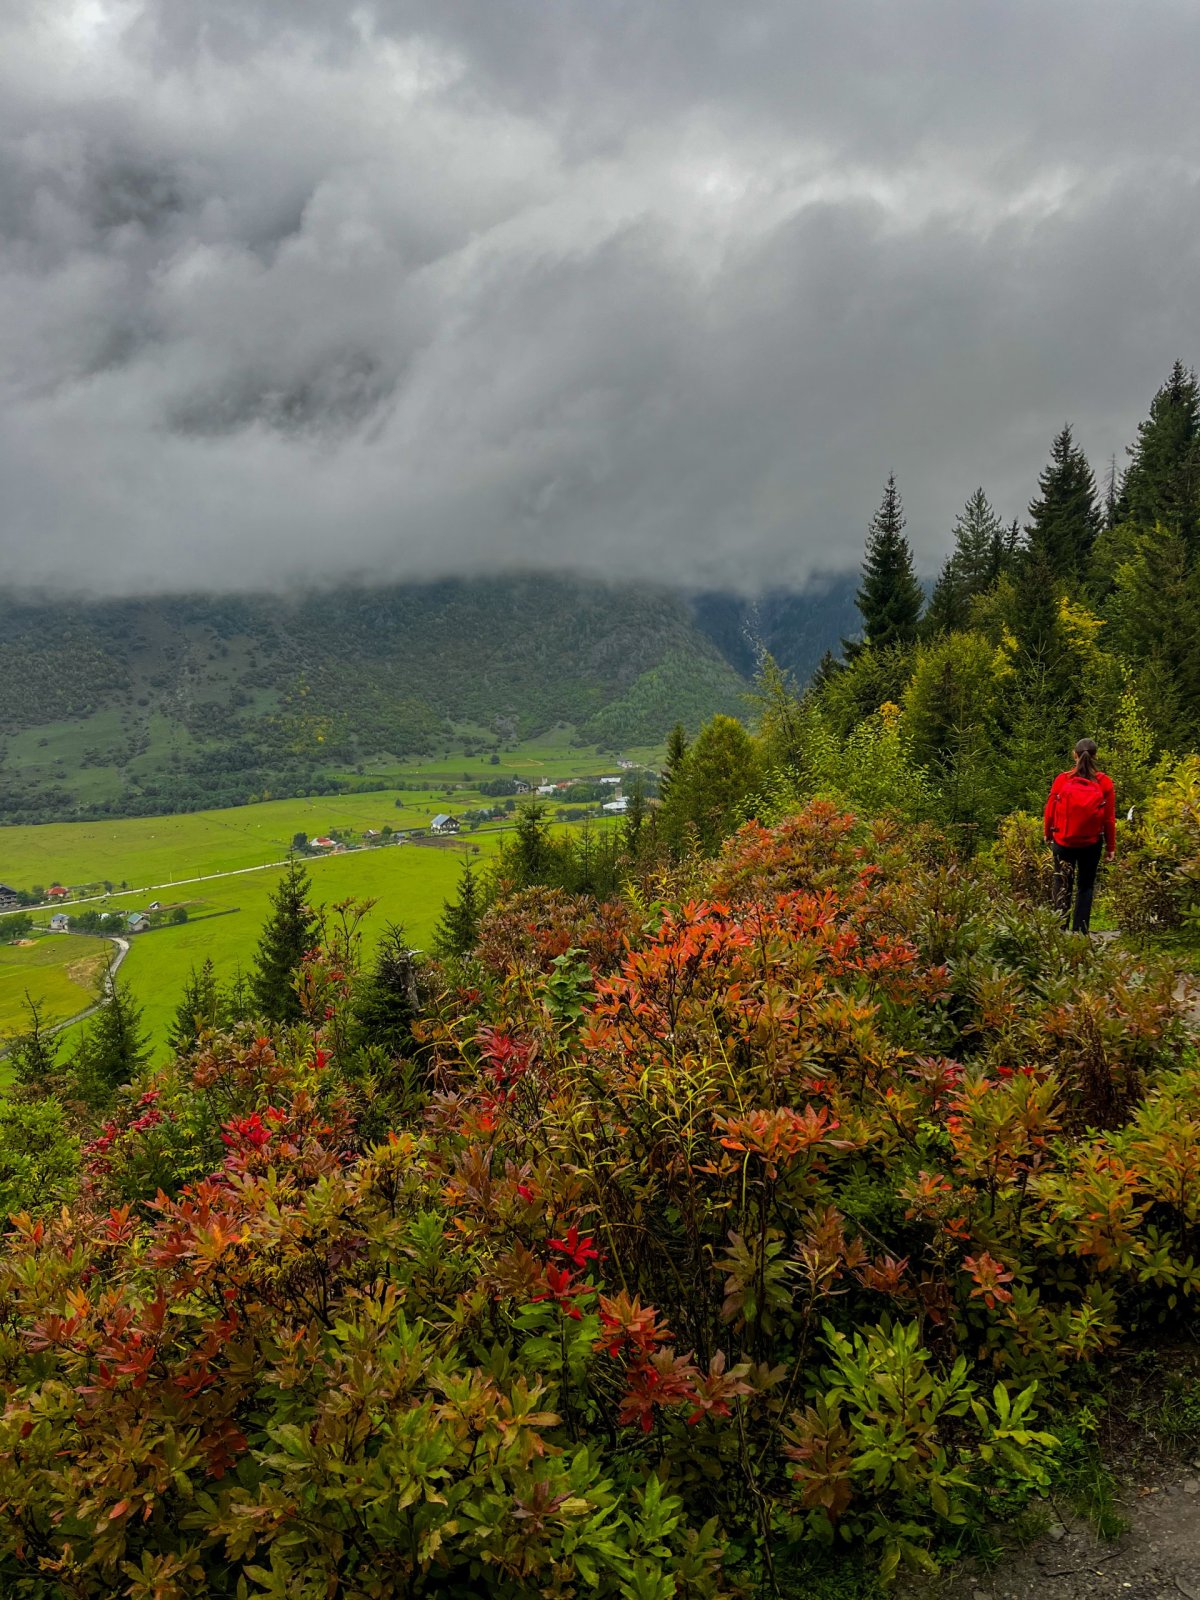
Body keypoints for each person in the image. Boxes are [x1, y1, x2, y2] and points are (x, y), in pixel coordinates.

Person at [1042, 738, 1116, 934]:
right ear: (1095, 756)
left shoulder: (1062, 779)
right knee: (1086, 886)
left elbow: (1050, 809)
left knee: (1061, 883)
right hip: (1091, 843)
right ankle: (1080, 932)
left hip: (1063, 840)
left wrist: (1048, 833)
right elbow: (1109, 819)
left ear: (1074, 755)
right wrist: (1110, 847)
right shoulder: (1104, 782)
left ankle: (1059, 930)